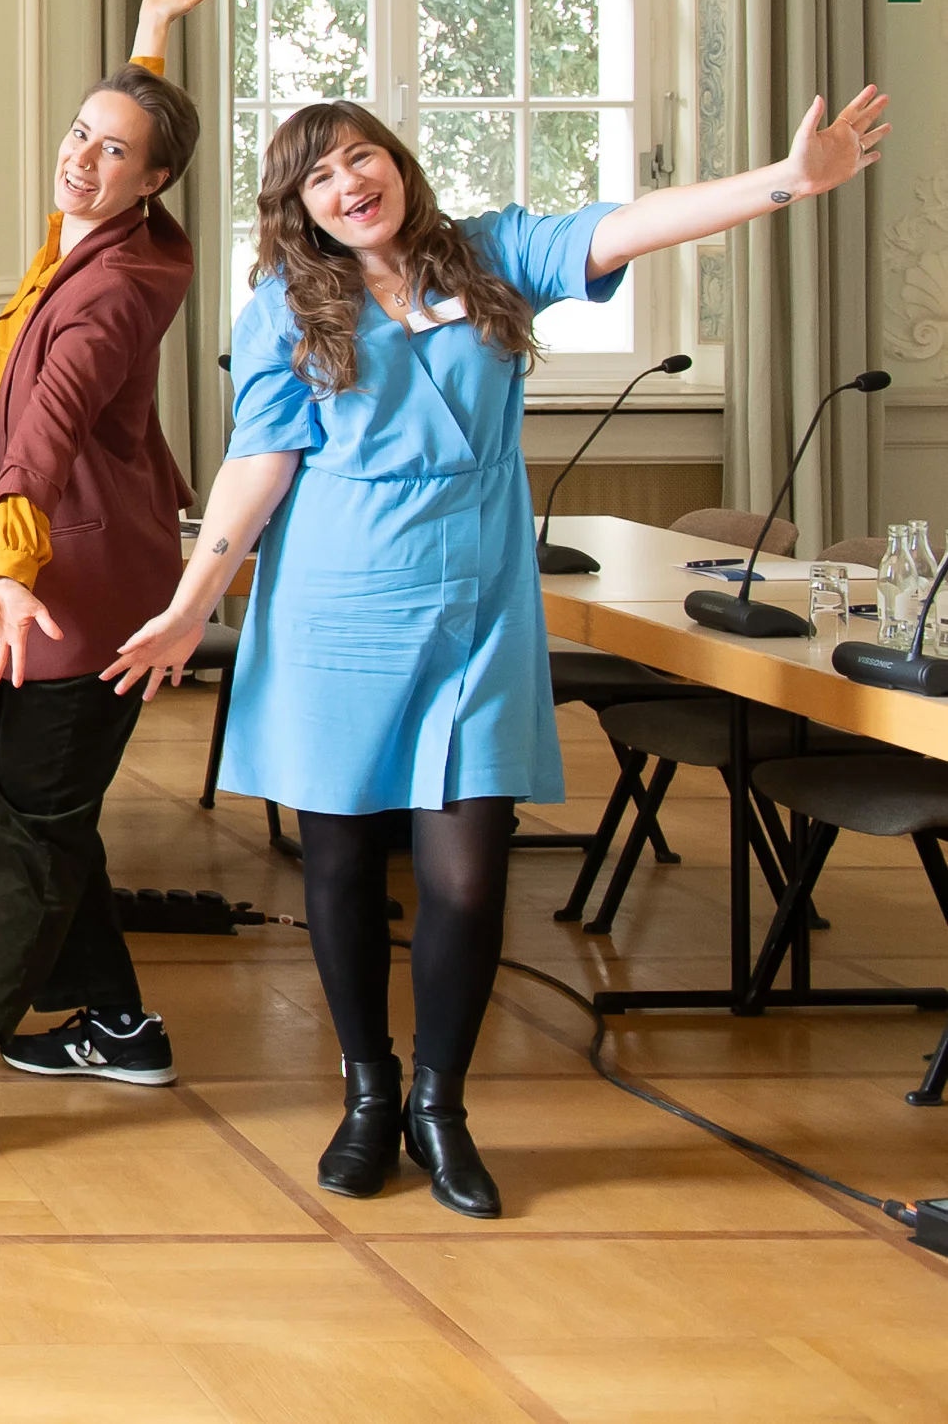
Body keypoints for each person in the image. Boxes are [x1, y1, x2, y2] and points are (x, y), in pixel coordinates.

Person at [110, 85, 895, 1218]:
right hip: (336, 598)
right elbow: (258, 462)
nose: (350, 183)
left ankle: (443, 1102)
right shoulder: (287, 302)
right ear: (301, 208)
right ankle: (368, 1093)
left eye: (362, 157)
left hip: (475, 602)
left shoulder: (489, 254)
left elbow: (629, 223)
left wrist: (783, 182)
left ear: (398, 163)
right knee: (337, 866)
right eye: (320, 176)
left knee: (467, 876)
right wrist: (195, 601)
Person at [0, 0, 214, 1166]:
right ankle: (121, 1025)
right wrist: (149, 41)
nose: (82, 157)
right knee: (47, 813)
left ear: (155, 182)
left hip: (80, 594)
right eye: (80, 132)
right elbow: (126, 135)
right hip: (67, 578)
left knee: (22, 830)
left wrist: (8, 569)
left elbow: (41, 437)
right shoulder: (92, 237)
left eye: (113, 150)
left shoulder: (108, 296)